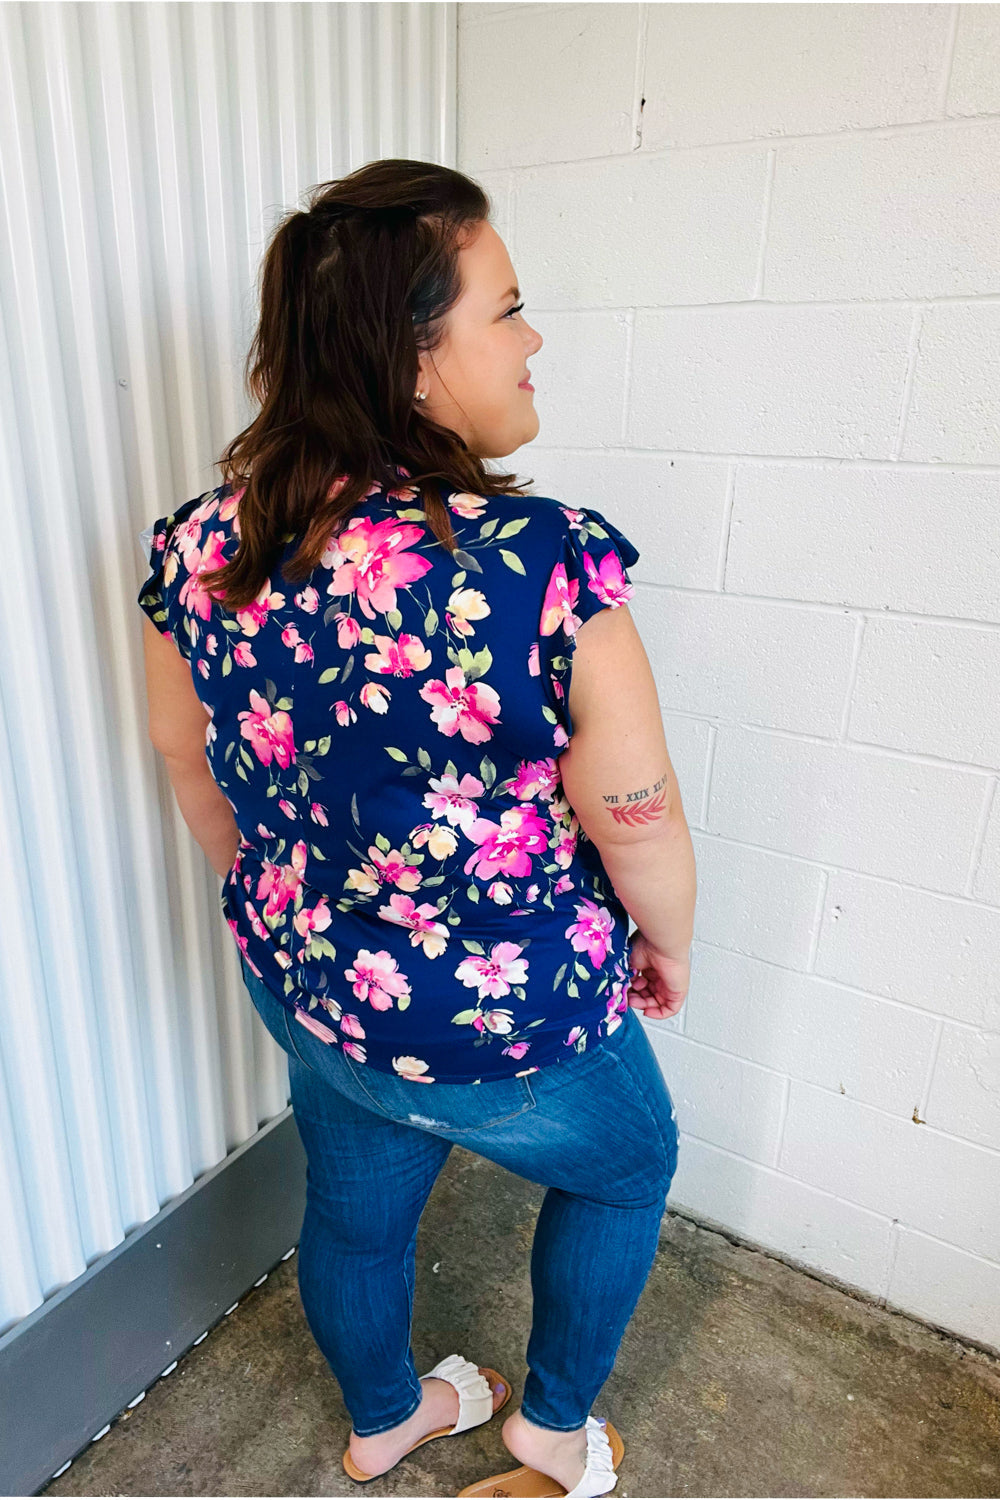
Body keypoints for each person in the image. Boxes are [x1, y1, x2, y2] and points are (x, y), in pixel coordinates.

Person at [137, 158, 696, 1498]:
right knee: (629, 1163)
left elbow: (181, 748)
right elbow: (639, 819)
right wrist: (666, 942)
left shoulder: (204, 547)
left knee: (356, 1195)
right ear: (411, 360)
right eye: (508, 310)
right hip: (504, 1023)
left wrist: (277, 892)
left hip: (310, 982)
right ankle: (549, 1434)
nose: (533, 338)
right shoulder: (544, 562)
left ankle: (388, 1417)